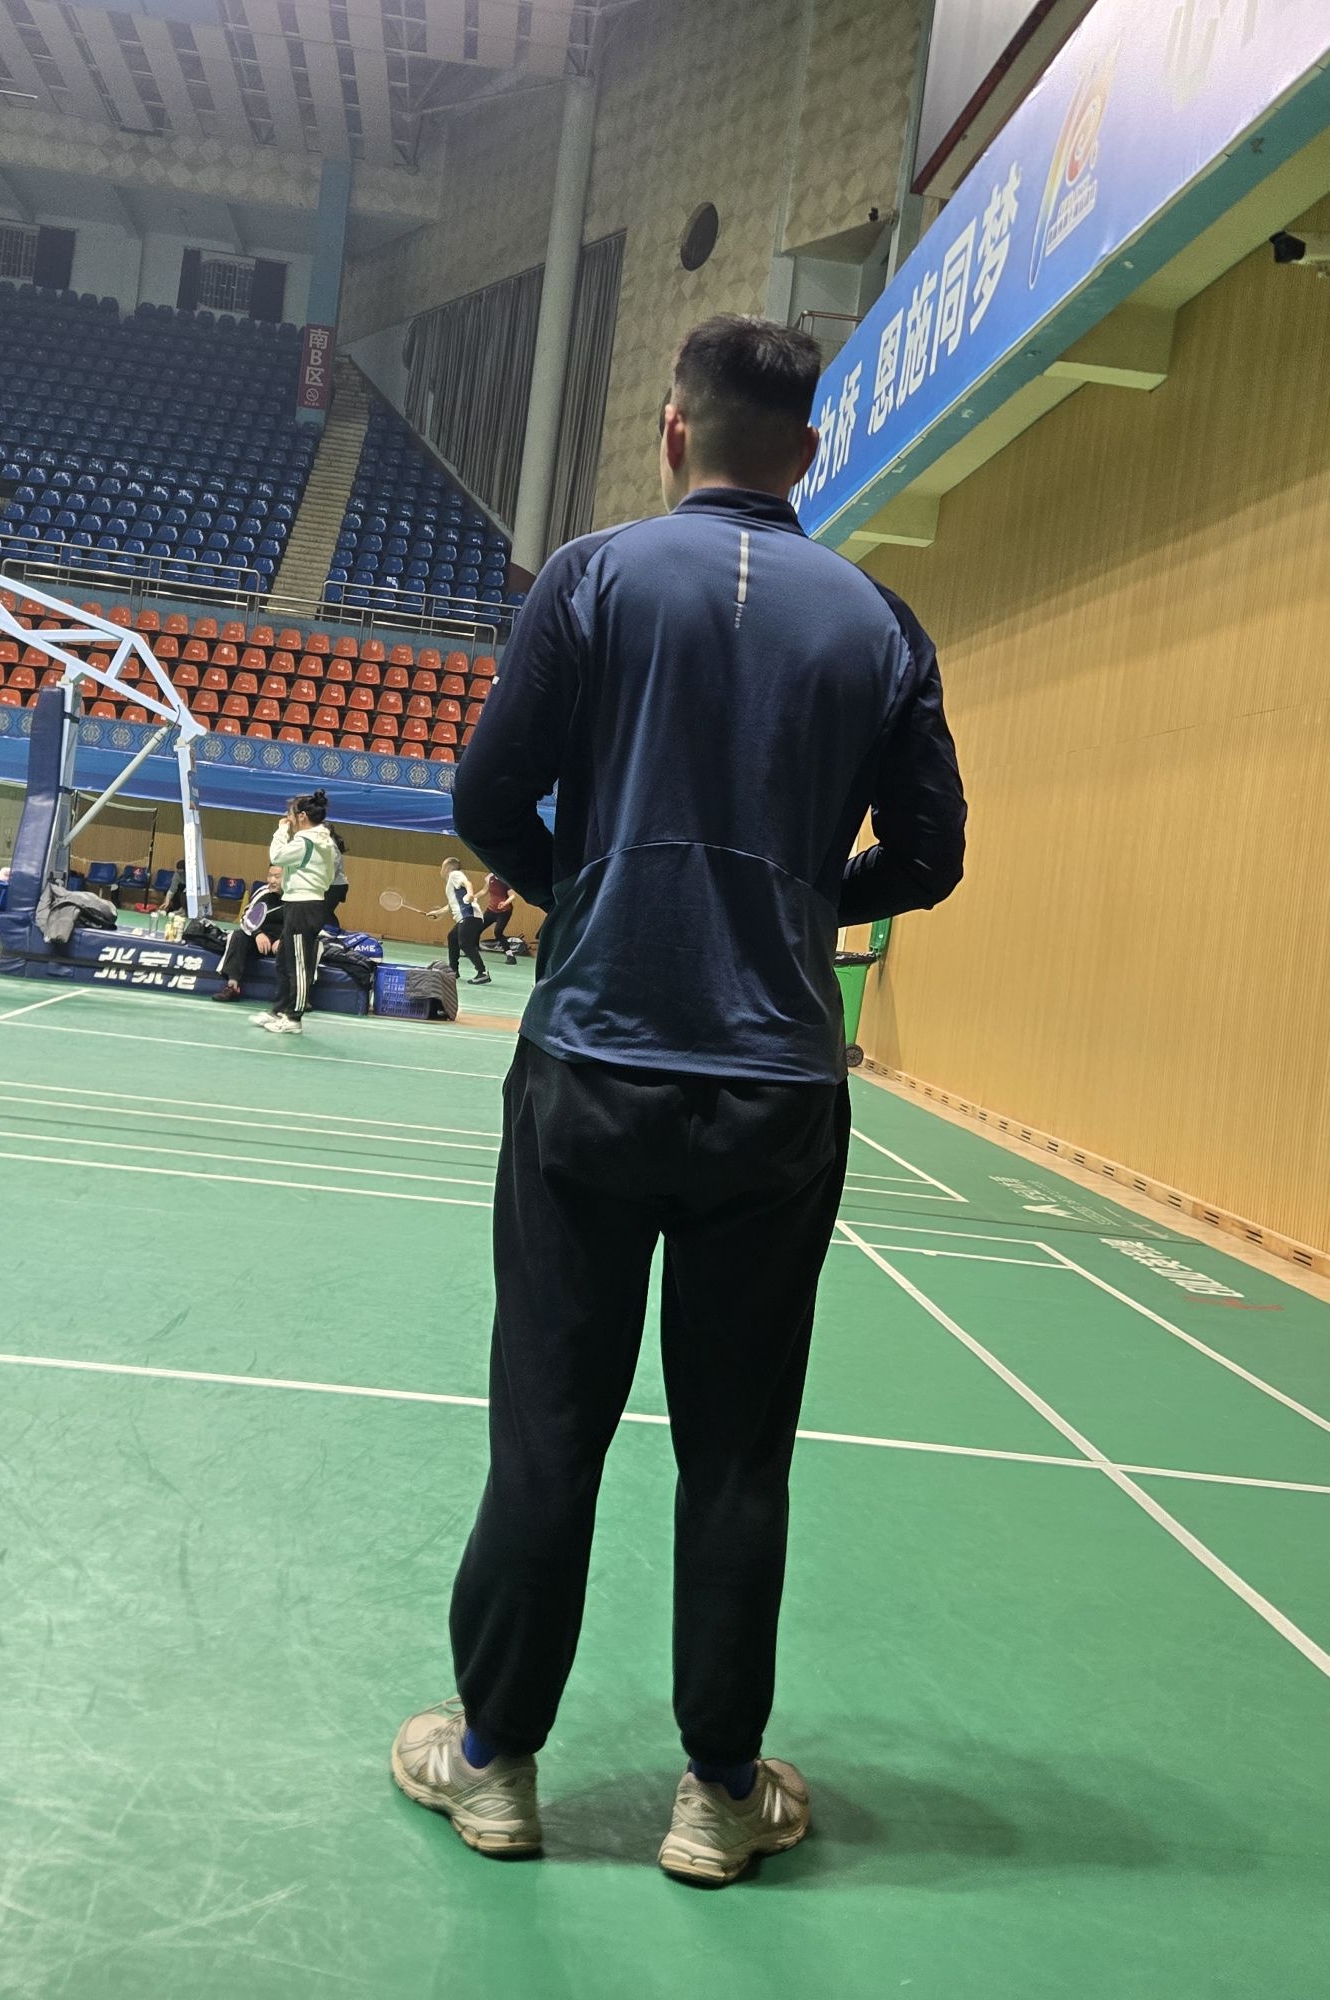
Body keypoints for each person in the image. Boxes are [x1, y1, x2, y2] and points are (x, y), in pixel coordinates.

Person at [391, 317, 966, 1882]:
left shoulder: (590, 579)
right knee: (736, 1454)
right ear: (809, 452)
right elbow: (930, 855)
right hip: (773, 1096)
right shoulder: (881, 624)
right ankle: (717, 1795)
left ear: (670, 432)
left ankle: (495, 1768)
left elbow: (485, 798)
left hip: (590, 1066)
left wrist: (587, 896)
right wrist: (802, 905)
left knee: (547, 1431)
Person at [257, 790, 337, 1035]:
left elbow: (276, 856)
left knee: (299, 965)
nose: (288, 818)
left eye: (290, 814)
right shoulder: (321, 840)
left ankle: (294, 1018)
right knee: (285, 960)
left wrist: (281, 829)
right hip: (298, 902)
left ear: (302, 816)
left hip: (305, 905)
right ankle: (280, 1009)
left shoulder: (307, 842)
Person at [212, 866, 284, 1000]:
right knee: (238, 935)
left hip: (283, 942)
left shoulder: (296, 898)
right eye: (269, 875)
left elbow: (299, 924)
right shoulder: (263, 893)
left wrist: (284, 939)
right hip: (261, 941)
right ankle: (232, 986)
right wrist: (257, 933)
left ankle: (289, 995)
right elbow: (246, 917)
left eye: (277, 877)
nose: (271, 880)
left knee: (300, 945)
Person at [435, 855, 489, 984]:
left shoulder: (454, 874)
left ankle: (482, 973)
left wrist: (470, 893)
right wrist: (437, 912)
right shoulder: (452, 883)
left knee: (465, 943)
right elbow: (451, 904)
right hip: (466, 917)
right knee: (452, 937)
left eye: (442, 866)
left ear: (448, 867)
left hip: (470, 915)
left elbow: (468, 883)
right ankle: (453, 971)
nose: (441, 869)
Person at [478, 874, 517, 964]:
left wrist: (505, 903)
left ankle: (510, 956)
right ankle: (473, 950)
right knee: (478, 927)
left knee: (498, 932)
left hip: (504, 912)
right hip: (491, 910)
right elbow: (484, 891)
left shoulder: (505, 880)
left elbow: (513, 896)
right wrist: (473, 897)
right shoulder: (489, 878)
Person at [324, 826, 349, 932]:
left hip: (335, 886)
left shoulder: (331, 847)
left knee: (323, 911)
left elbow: (331, 871)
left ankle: (334, 932)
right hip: (331, 885)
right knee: (323, 912)